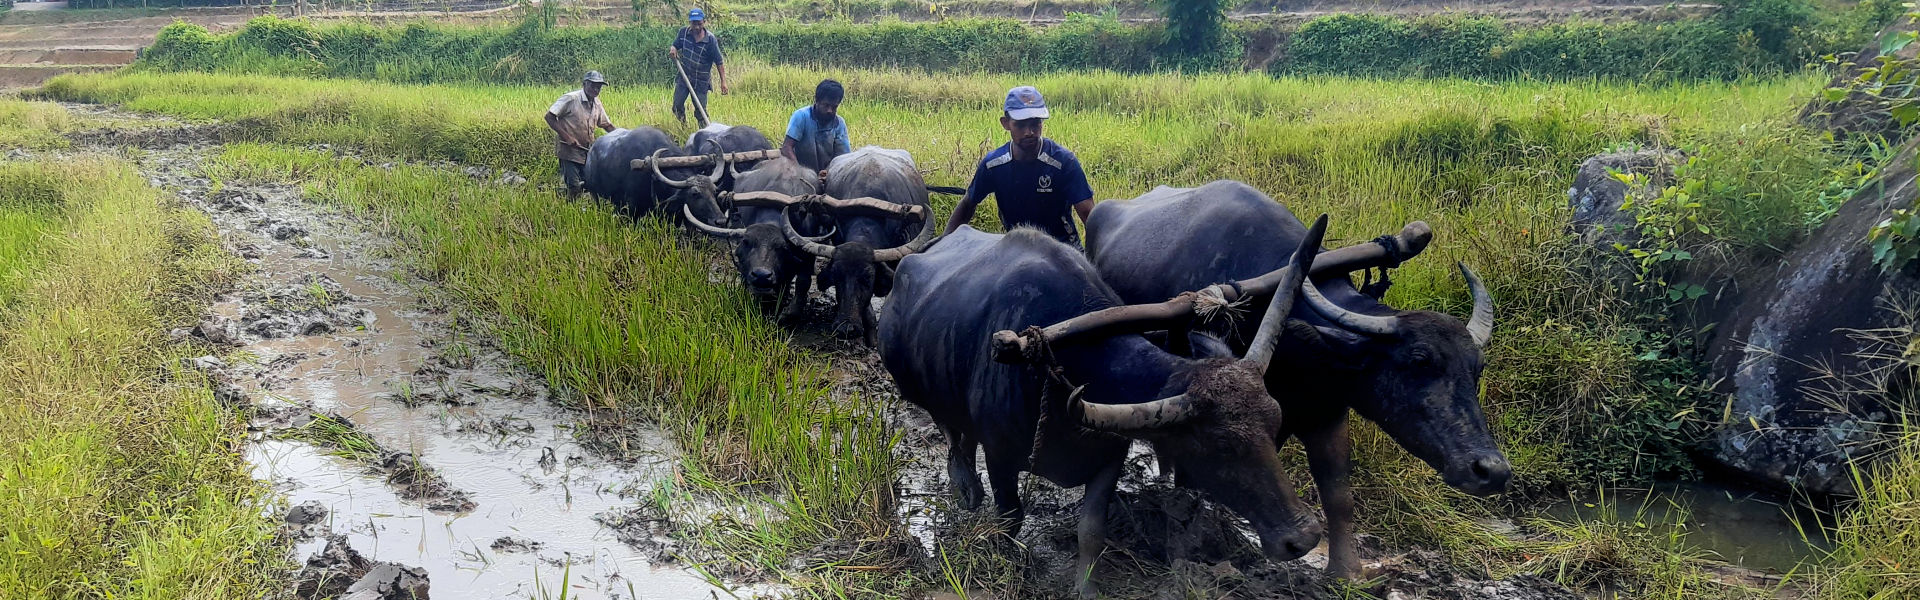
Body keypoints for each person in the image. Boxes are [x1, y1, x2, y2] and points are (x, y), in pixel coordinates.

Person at [942, 85, 1095, 248]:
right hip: (1017, 250)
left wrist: (1094, 258)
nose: (1029, 132)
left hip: (1063, 247)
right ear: (1005, 123)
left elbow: (1089, 215)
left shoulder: (1063, 162)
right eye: (1021, 125)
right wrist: (944, 243)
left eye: (1035, 124)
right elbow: (967, 204)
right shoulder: (994, 164)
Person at [545, 70, 618, 200]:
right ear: (584, 84)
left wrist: (623, 136)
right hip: (569, 150)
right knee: (574, 186)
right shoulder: (571, 99)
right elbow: (549, 117)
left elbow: (607, 125)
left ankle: (585, 208)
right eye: (593, 85)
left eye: (599, 87)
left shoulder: (597, 103)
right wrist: (567, 137)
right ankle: (568, 210)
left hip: (587, 151)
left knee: (591, 184)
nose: (596, 89)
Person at [668, 8, 729, 128]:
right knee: (677, 106)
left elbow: (719, 61)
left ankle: (704, 133)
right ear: (690, 22)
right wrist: (673, 48)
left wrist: (723, 82)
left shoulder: (710, 40)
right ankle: (683, 127)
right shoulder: (683, 33)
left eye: (699, 23)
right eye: (694, 23)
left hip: (701, 81)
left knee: (700, 111)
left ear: (704, 22)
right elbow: (676, 44)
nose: (696, 27)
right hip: (684, 77)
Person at [781, 79, 851, 179]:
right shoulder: (802, 116)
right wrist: (799, 172)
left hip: (827, 175)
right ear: (817, 101)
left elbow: (843, 157)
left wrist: (828, 171)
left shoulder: (839, 124)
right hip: (800, 174)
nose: (829, 111)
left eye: (834, 107)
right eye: (826, 105)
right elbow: (787, 148)